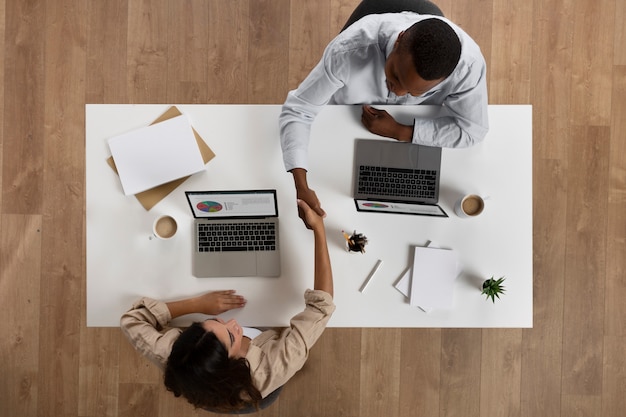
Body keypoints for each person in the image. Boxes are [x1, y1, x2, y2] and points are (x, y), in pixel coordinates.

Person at [279, 0, 489, 227]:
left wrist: (401, 131)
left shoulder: (468, 67)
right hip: (341, 122)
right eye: (395, 76)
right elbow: (299, 110)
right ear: (398, 41)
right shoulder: (348, 50)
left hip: (402, 137)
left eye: (414, 92)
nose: (397, 92)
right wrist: (301, 186)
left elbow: (474, 131)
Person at [120, 199, 335, 413]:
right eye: (231, 337)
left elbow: (131, 321)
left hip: (203, 391)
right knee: (261, 400)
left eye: (214, 322)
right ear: (232, 363)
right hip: (254, 394)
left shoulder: (177, 356)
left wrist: (197, 303)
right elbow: (320, 307)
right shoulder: (273, 367)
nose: (233, 321)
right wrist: (319, 229)